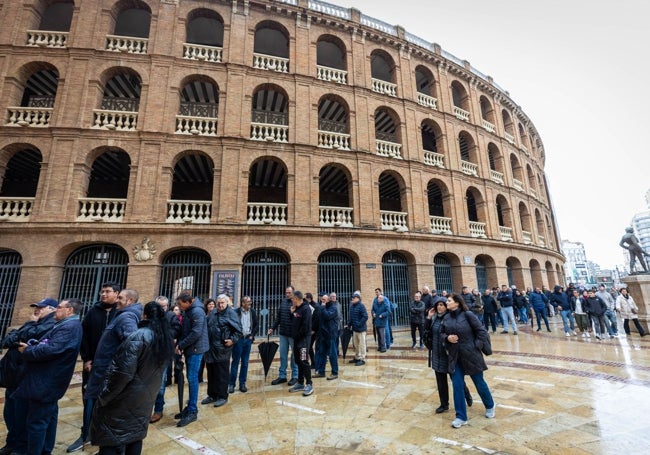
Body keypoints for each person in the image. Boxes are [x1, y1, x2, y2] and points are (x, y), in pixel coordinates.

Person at [90, 301, 173, 454]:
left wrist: (105, 396)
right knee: (134, 436)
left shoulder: (139, 336)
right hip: (144, 398)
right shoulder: (162, 338)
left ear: (145, 315)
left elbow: (122, 374)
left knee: (111, 439)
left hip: (125, 398)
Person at [13, 299, 83, 455]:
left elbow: (51, 350)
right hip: (47, 381)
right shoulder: (65, 325)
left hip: (47, 382)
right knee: (46, 420)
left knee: (37, 424)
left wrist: (28, 351)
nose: (55, 310)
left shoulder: (69, 327)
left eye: (59, 307)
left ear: (69, 310)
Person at [0, 298, 57, 455]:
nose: (37, 310)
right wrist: (23, 332)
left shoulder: (50, 325)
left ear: (52, 309)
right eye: (36, 307)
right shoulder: (32, 323)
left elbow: (33, 339)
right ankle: (12, 443)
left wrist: (28, 327)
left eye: (41, 307)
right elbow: (7, 341)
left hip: (26, 377)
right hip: (13, 376)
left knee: (22, 416)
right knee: (10, 414)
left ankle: (20, 447)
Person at [67, 282, 120, 453]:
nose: (103, 294)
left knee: (110, 398)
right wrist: (87, 359)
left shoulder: (120, 313)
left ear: (116, 294)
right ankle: (86, 432)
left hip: (113, 365)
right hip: (92, 365)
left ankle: (106, 433)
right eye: (102, 291)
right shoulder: (93, 312)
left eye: (107, 291)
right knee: (88, 397)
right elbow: (85, 337)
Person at [441, 294, 495, 428]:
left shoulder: (468, 315)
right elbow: (441, 333)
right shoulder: (446, 317)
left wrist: (475, 345)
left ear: (457, 303)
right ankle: (461, 416)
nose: (446, 303)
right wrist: (447, 338)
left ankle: (490, 405)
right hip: (455, 356)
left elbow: (481, 331)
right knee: (457, 385)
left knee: (479, 382)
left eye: (449, 301)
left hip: (471, 354)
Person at [426, 299, 473, 414]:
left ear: (446, 307)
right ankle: (444, 404)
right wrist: (428, 317)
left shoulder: (450, 318)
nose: (439, 307)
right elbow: (427, 331)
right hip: (437, 353)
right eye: (437, 305)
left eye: (442, 305)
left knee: (456, 379)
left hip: (449, 354)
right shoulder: (435, 318)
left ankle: (466, 394)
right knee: (440, 382)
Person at [175, 292, 209, 427]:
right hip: (191, 348)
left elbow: (196, 332)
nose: (179, 306)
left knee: (192, 378)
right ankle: (190, 407)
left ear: (188, 301)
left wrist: (182, 344)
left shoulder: (197, 312)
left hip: (195, 349)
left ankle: (192, 410)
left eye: (180, 304)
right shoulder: (190, 310)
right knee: (191, 378)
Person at [203, 294, 242, 407]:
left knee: (222, 374)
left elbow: (238, 331)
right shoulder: (213, 313)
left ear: (227, 303)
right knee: (211, 373)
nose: (220, 305)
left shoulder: (231, 313)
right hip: (210, 349)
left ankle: (222, 396)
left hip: (223, 349)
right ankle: (212, 395)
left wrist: (232, 340)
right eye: (218, 303)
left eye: (222, 303)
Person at [150, 296, 182, 423]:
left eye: (163, 306)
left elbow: (177, 329)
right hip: (150, 354)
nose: (161, 308)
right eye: (159, 305)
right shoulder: (151, 315)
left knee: (161, 384)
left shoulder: (170, 316)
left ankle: (158, 410)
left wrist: (166, 335)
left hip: (163, 353)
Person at [268, 286, 299, 386]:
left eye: (289, 292)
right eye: (286, 292)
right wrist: (272, 328)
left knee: (294, 356)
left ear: (293, 293)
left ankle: (295, 376)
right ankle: (282, 376)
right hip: (283, 334)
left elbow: (300, 317)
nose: (287, 294)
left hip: (293, 334)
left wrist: (293, 313)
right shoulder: (283, 301)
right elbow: (278, 316)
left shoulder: (297, 303)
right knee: (283, 355)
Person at [229, 296, 258, 393]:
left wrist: (252, 335)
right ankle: (232, 384)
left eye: (250, 301)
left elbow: (256, 325)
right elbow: (231, 325)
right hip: (239, 340)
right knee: (235, 362)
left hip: (248, 340)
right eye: (248, 302)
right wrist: (234, 338)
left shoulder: (252, 312)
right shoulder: (236, 312)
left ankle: (242, 383)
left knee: (245, 363)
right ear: (243, 303)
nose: (250, 303)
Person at [287, 290, 314, 396]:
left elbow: (305, 326)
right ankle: (300, 382)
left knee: (304, 360)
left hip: (303, 340)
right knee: (298, 360)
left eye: (292, 298)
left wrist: (297, 336)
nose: (291, 300)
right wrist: (291, 313)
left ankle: (309, 384)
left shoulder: (306, 309)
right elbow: (293, 322)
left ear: (297, 299)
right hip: (297, 339)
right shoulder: (296, 309)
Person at [313, 293, 339, 380]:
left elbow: (327, 316)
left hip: (330, 335)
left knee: (332, 354)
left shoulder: (333, 308)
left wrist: (323, 307)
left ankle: (334, 372)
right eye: (321, 300)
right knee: (322, 354)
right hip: (322, 335)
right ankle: (321, 372)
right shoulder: (321, 308)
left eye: (324, 300)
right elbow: (318, 319)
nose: (322, 301)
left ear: (328, 300)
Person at [347, 291, 368, 365]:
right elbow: (351, 317)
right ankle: (357, 357)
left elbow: (365, 316)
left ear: (358, 299)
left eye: (354, 297)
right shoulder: (352, 306)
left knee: (362, 344)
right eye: (352, 297)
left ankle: (362, 359)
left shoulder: (361, 306)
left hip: (361, 329)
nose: (352, 298)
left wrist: (359, 324)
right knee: (356, 344)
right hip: (355, 329)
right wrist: (349, 325)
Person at [198, 298, 216, 383]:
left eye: (212, 304)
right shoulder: (203, 314)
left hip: (212, 341)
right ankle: (199, 377)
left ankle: (211, 378)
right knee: (202, 360)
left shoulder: (216, 314)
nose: (211, 305)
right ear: (206, 306)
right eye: (209, 304)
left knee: (210, 360)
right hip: (203, 339)